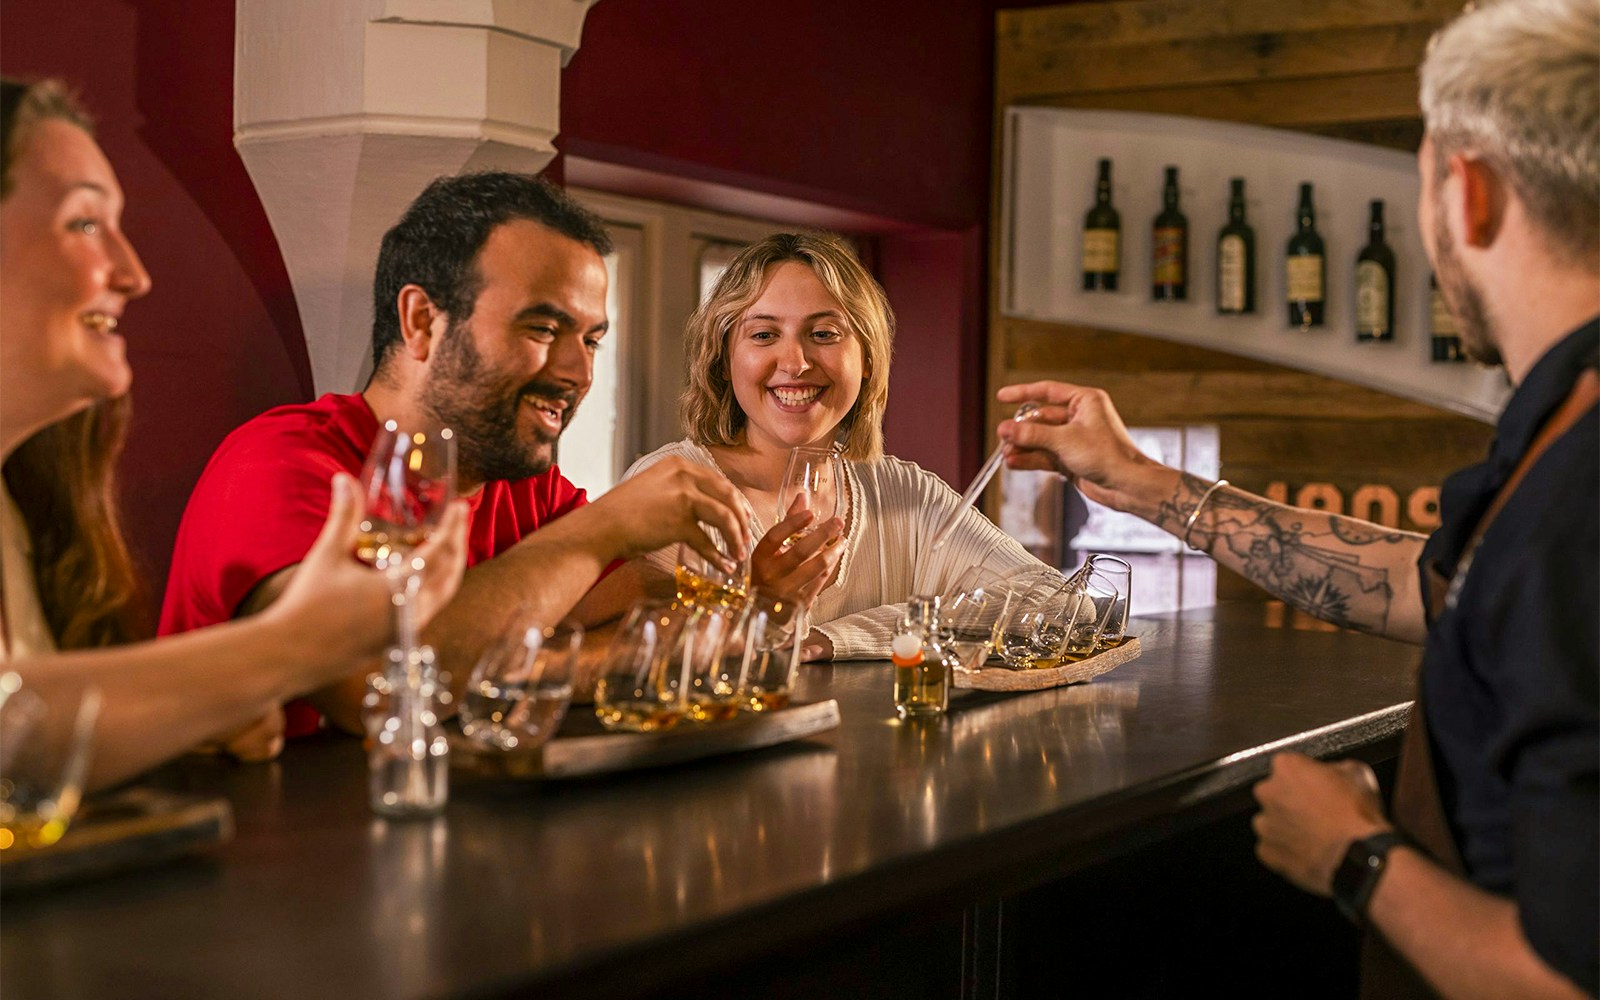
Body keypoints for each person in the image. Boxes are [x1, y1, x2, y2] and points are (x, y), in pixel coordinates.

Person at [995, 1, 1598, 996]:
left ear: (1469, 192)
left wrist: (1355, 856)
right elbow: (1421, 580)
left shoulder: (1577, 497)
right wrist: (1149, 484)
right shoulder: (1561, 431)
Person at [160, 171, 787, 740]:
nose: (578, 371)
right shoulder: (279, 465)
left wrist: (520, 664)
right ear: (422, 322)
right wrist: (606, 529)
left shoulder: (522, 482)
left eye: (591, 339)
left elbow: (653, 605)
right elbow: (371, 689)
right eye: (542, 329)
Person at [0, 77, 469, 789]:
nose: (134, 274)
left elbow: (26, 737)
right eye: (85, 224)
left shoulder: (21, 503)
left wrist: (175, 720)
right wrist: (289, 647)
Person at [623, 232, 1050, 661]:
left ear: (867, 359)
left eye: (824, 334)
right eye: (764, 335)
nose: (794, 363)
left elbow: (1058, 602)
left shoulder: (906, 494)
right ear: (723, 356)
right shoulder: (668, 489)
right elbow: (635, 654)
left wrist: (840, 639)